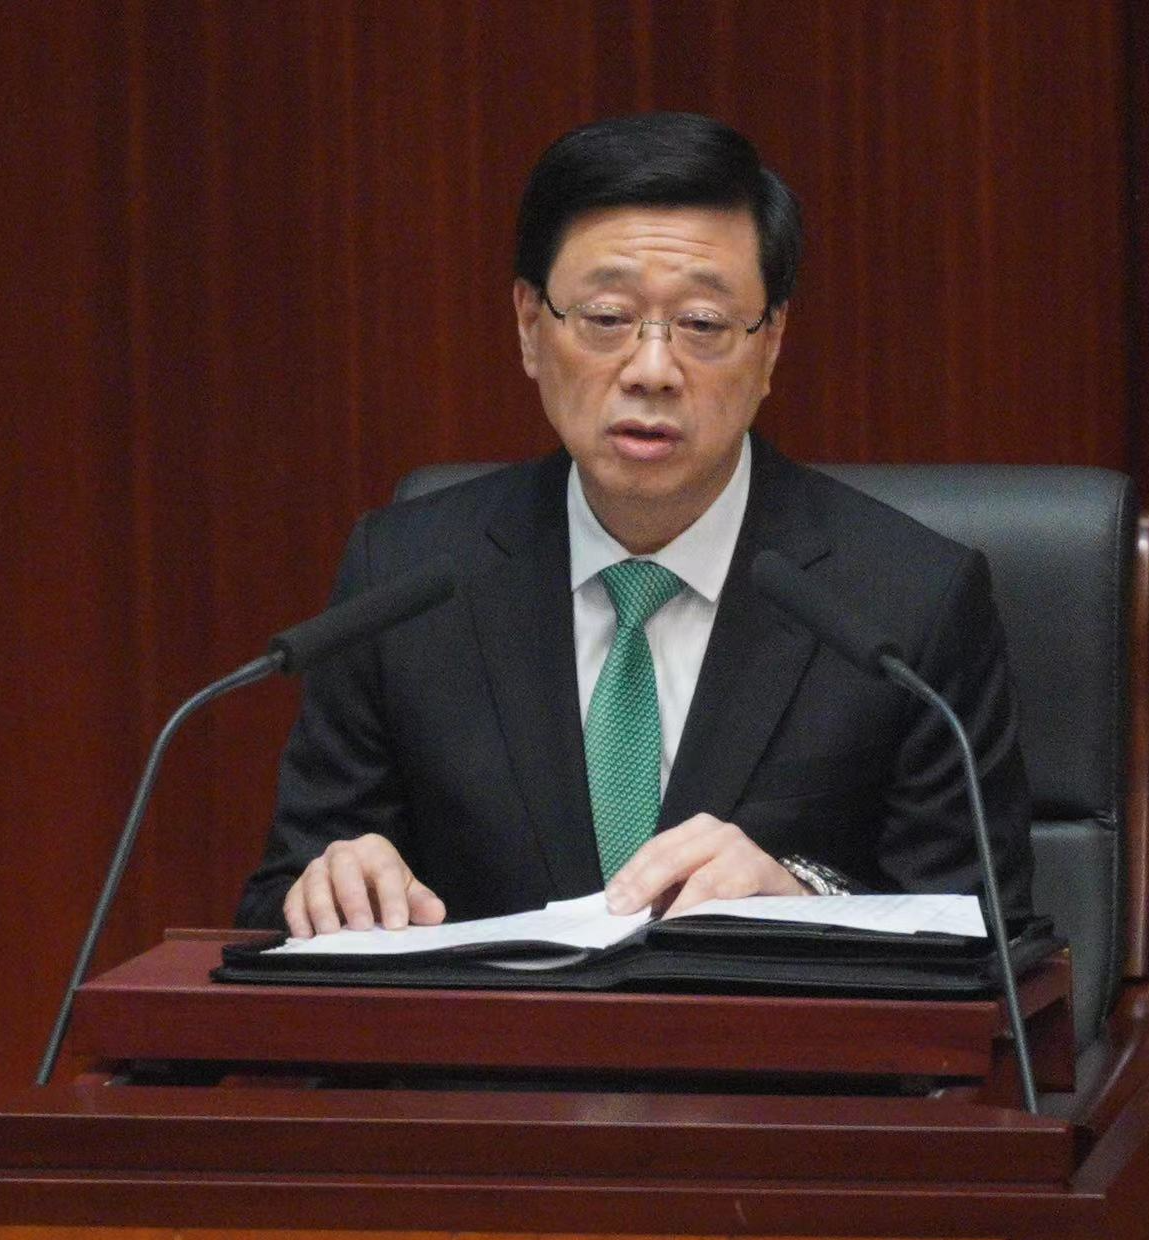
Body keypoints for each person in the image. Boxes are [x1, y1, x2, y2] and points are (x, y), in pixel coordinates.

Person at [237, 112, 1032, 937]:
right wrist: (328, 888)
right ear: (529, 326)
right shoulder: (402, 583)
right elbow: (275, 907)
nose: (652, 370)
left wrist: (807, 905)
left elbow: (989, 940)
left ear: (770, 345)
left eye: (703, 325)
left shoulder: (909, 605)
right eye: (607, 318)